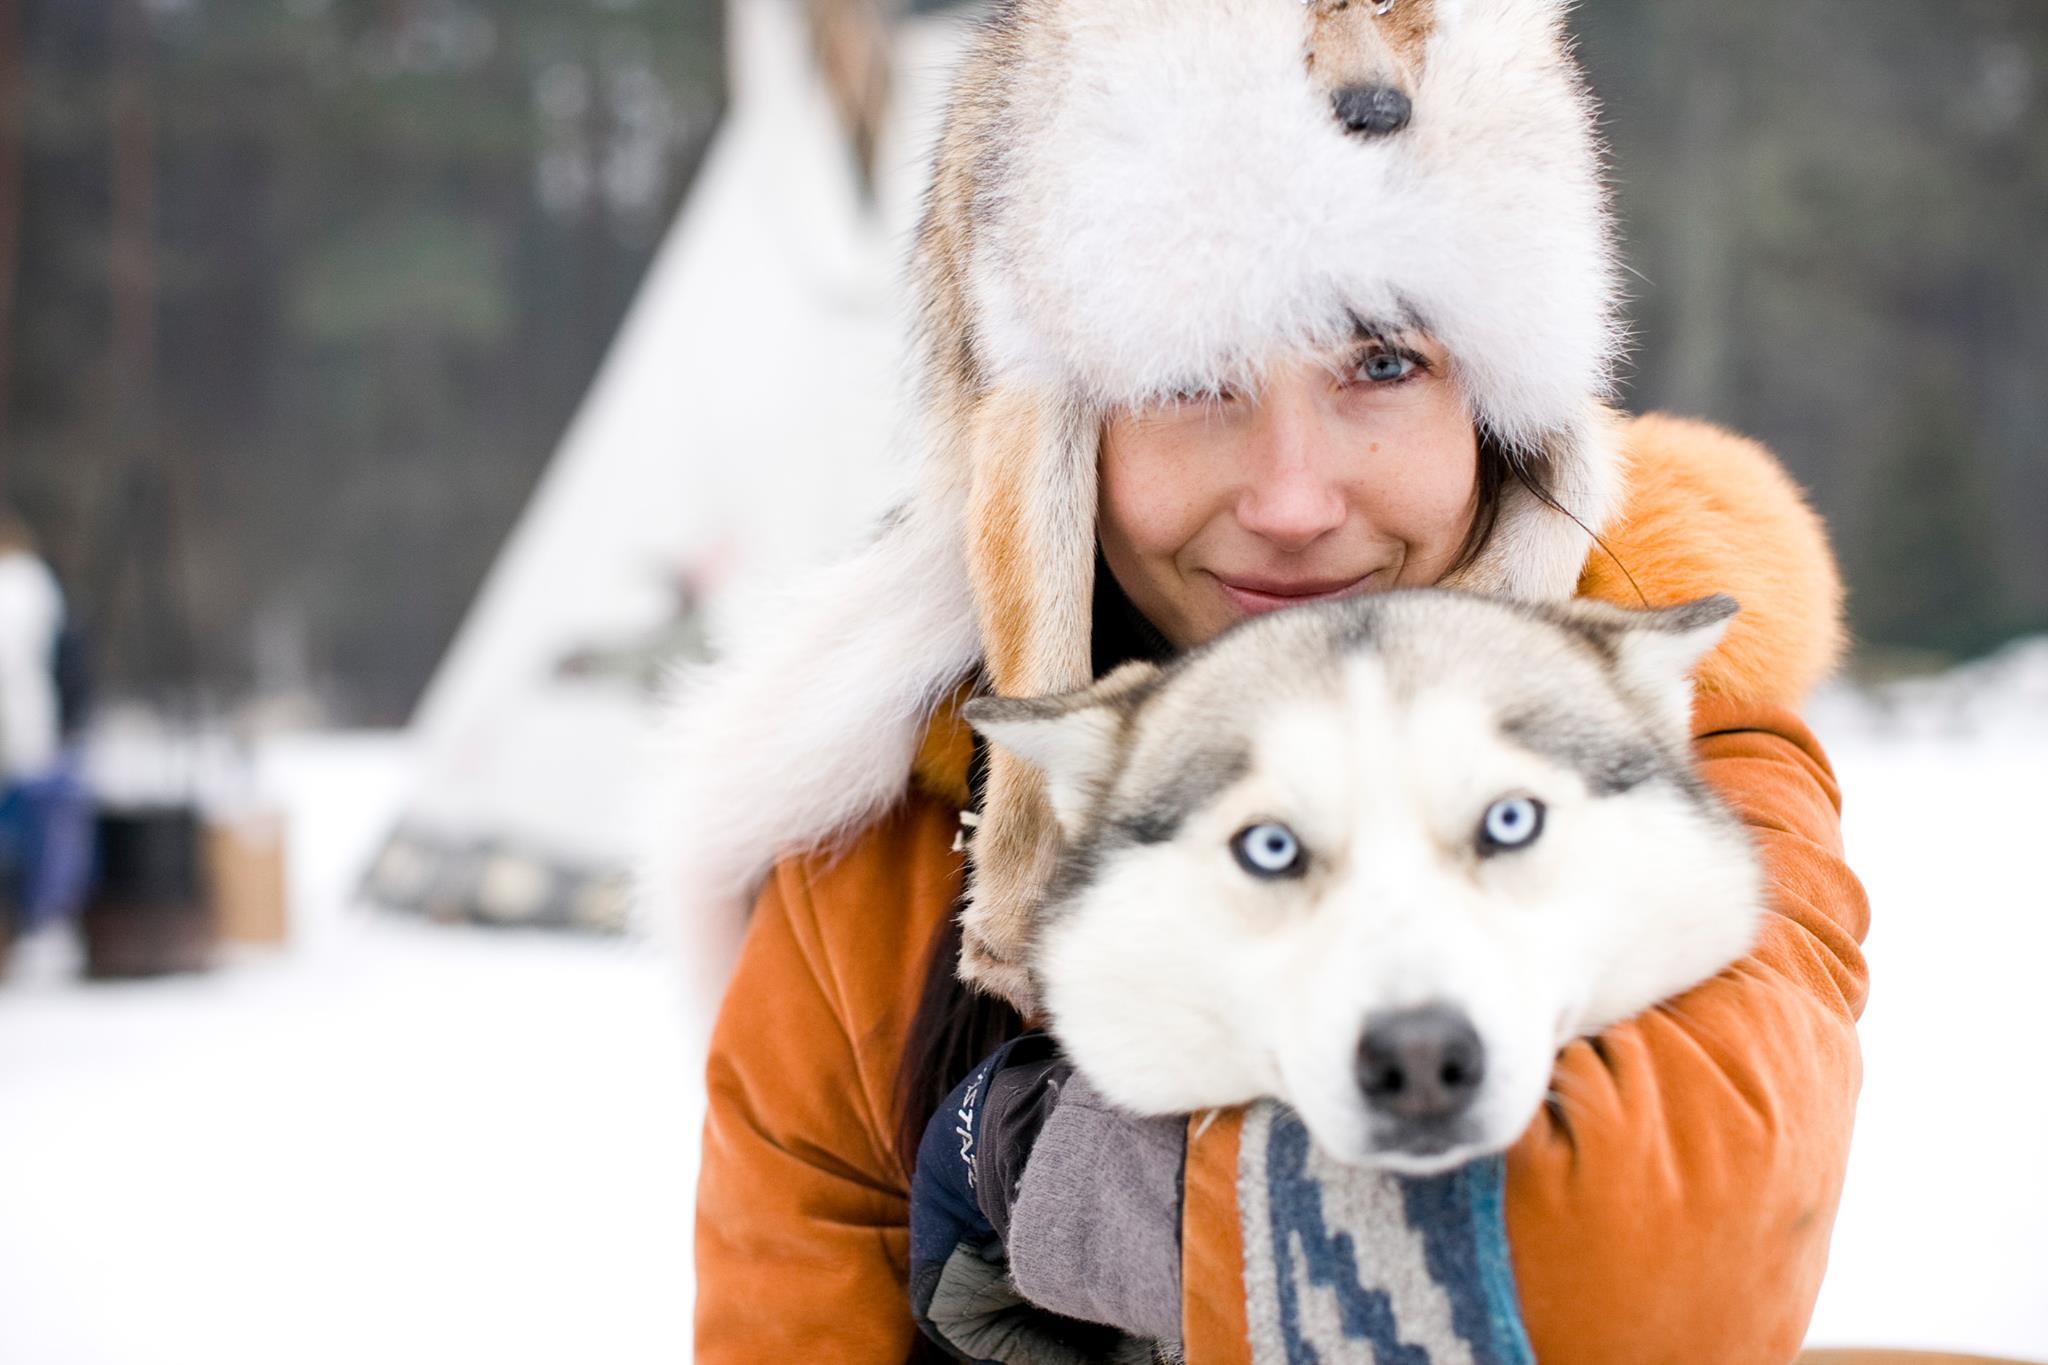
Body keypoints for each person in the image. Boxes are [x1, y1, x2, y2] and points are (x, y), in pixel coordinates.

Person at [666, 2, 1866, 1360]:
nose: (1293, 501)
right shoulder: (872, 862)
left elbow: (1661, 1262)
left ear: (1500, 412)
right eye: (1193, 377)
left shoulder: (1662, 710)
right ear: (1045, 453)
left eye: (1382, 362)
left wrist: (1099, 1183)